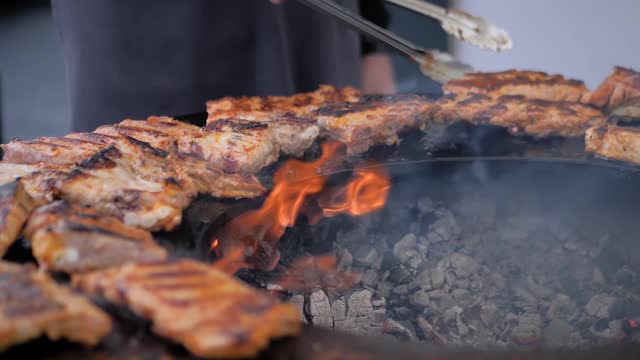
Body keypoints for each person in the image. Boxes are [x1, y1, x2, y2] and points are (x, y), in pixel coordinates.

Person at [51, 0, 396, 132]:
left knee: (327, 198)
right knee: (148, 187)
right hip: (149, 29)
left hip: (313, 24)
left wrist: (371, 37)